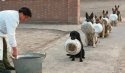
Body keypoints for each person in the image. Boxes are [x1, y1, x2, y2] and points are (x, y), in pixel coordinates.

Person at [0, 7, 32, 72]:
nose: (25, 19)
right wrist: (15, 50)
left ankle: (6, 65)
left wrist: (12, 48)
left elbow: (10, 33)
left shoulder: (15, 15)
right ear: (22, 14)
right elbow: (11, 34)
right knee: (0, 50)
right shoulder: (13, 18)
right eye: (25, 17)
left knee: (6, 49)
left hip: (2, 31)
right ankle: (1, 69)